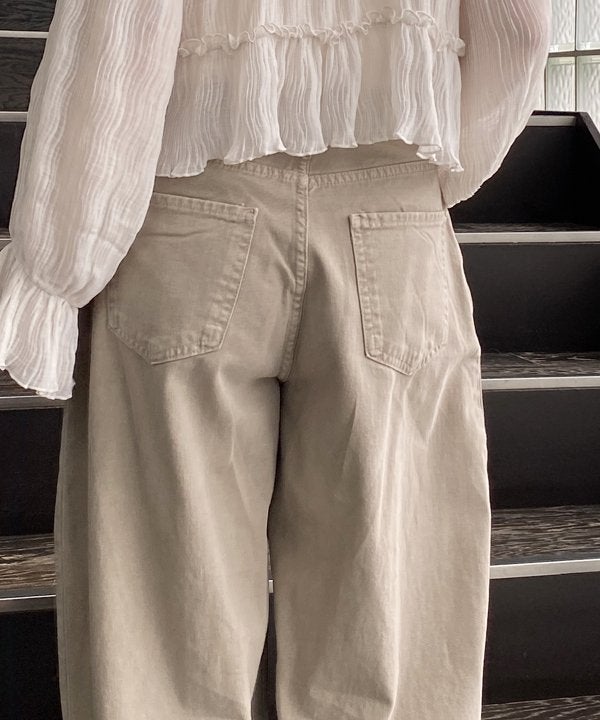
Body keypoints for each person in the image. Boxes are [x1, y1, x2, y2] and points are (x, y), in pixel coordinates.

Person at [0, 1, 552, 719]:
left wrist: (59, 257)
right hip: (394, 217)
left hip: (191, 206)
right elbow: (521, 29)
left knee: (161, 630)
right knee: (383, 618)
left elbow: (121, 28)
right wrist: (428, 171)